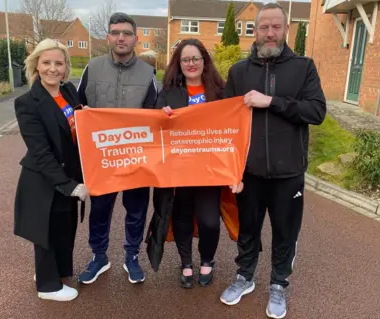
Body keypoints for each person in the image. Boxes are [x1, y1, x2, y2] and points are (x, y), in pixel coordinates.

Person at [219, 3, 326, 319]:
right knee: (248, 229)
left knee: (285, 231)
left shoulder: (303, 67)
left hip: (288, 173)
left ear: (286, 29)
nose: (269, 33)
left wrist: (272, 103)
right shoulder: (239, 71)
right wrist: (231, 167)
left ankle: (279, 284)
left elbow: (316, 112)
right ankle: (245, 276)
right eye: (263, 27)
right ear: (254, 31)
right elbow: (224, 122)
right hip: (249, 173)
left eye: (275, 27)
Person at [145, 38, 244, 289]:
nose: (191, 64)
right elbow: (155, 126)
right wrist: (162, 115)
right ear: (179, 64)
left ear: (204, 61)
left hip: (210, 171)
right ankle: (186, 262)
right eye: (185, 59)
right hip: (179, 171)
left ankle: (207, 260)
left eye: (195, 59)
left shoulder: (220, 92)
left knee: (209, 220)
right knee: (182, 218)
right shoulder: (168, 92)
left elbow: (234, 127)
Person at [77, 12, 158, 285]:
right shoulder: (92, 67)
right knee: (100, 209)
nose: (121, 37)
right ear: (108, 37)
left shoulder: (148, 73)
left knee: (136, 210)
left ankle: (131, 256)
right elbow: (77, 109)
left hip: (136, 157)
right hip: (102, 158)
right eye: (115, 32)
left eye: (126, 33)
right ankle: (99, 256)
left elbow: (156, 114)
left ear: (135, 39)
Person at [14, 39, 89, 301]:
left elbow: (76, 123)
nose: (53, 69)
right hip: (44, 180)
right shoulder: (27, 102)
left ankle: (55, 272)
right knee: (45, 231)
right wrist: (68, 185)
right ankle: (48, 287)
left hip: (68, 174)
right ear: (36, 65)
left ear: (66, 67)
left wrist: (86, 116)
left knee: (63, 227)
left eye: (59, 63)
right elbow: (41, 151)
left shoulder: (68, 91)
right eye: (46, 62)